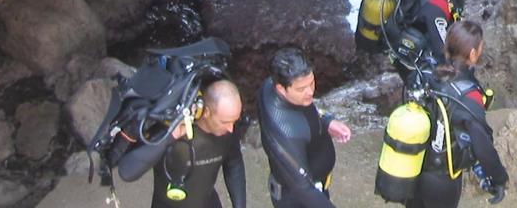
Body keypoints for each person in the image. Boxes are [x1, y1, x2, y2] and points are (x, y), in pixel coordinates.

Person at [411, 20, 507, 208]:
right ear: (472, 54)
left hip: (414, 168)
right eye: (480, 47)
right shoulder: (468, 94)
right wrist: (499, 179)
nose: (481, 51)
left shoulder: (428, 73)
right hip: (442, 180)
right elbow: (483, 147)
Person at [117, 79, 246, 208]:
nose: (231, 129)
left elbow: (234, 163)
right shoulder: (170, 127)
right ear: (206, 112)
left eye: (235, 121)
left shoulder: (228, 130)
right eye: (225, 122)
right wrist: (169, 137)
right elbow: (127, 172)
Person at [257, 47, 352, 207]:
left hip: (314, 182)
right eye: (301, 89)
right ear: (281, 88)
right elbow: (303, 190)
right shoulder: (286, 132)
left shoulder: (271, 85)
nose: (310, 92)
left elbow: (305, 112)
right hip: (298, 198)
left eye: (312, 83)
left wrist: (326, 121)